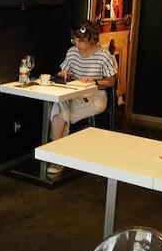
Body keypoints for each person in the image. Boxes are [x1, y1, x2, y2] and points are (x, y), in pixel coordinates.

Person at [47, 19, 117, 176]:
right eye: (75, 40)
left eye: (81, 41)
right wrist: (64, 74)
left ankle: (56, 156)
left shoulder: (103, 56)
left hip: (95, 97)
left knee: (60, 111)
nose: (77, 45)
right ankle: (58, 155)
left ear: (91, 39)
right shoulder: (72, 53)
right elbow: (63, 72)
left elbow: (111, 82)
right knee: (61, 103)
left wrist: (95, 80)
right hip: (73, 94)